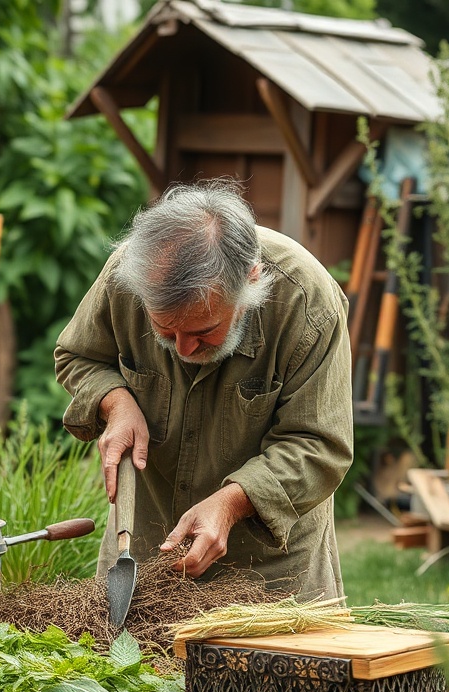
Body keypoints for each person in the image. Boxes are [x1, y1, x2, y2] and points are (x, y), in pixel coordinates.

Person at [54, 179, 353, 600]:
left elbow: (320, 445)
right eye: (163, 330)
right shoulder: (130, 275)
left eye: (203, 331)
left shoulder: (307, 303)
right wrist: (116, 402)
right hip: (147, 556)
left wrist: (231, 503)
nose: (183, 348)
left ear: (251, 282)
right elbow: (77, 356)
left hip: (270, 574)